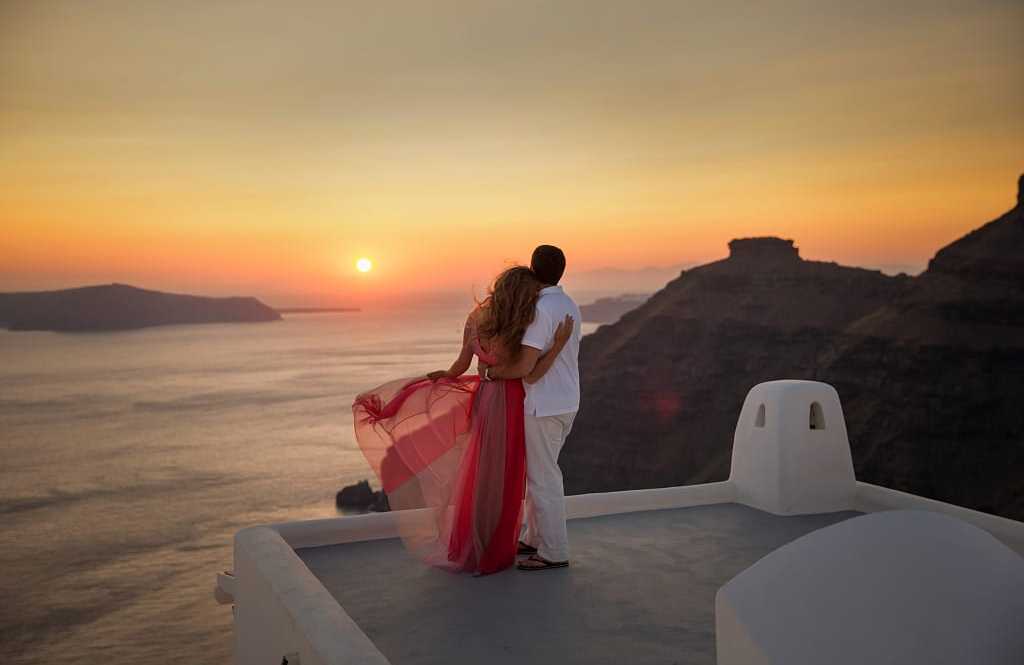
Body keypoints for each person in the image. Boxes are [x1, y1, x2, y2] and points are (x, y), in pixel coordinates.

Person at [352, 266, 574, 575]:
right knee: (508, 475)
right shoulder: (517, 327)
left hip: (485, 400)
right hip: (512, 402)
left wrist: (440, 380)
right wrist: (559, 346)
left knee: (482, 470)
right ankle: (500, 543)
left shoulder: (476, 320)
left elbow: (458, 366)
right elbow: (529, 371)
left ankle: (476, 541)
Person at [485, 245, 581, 571]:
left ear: (532, 268)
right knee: (542, 473)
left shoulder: (541, 308)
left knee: (543, 478)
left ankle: (554, 552)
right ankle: (532, 537)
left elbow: (525, 367)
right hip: (566, 401)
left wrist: (492, 372)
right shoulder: (568, 303)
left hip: (544, 404)